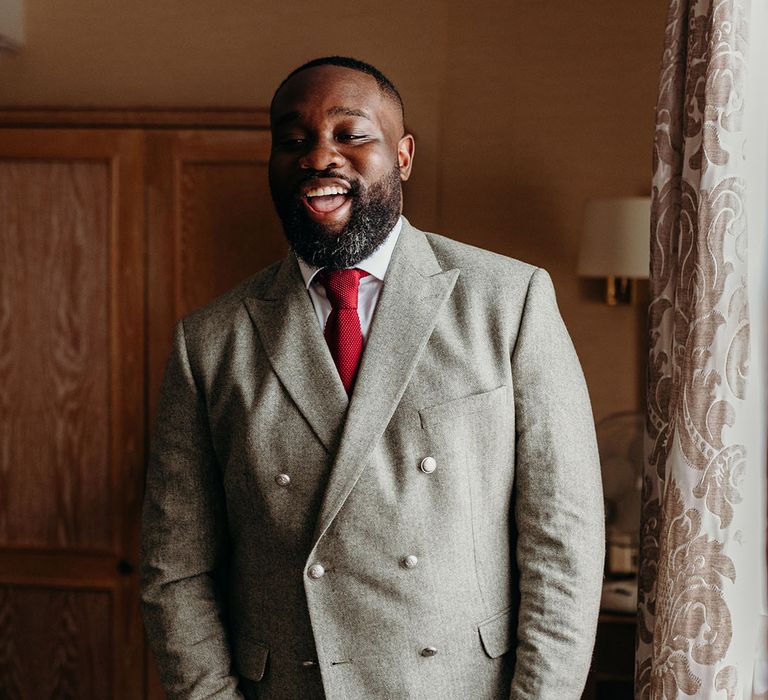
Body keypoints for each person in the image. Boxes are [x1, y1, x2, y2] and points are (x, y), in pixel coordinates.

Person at [140, 56, 605, 700]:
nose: (317, 157)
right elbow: (176, 570)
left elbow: (565, 543)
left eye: (350, 134)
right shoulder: (209, 342)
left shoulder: (509, 300)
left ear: (404, 155)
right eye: (293, 141)